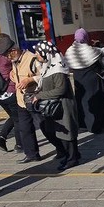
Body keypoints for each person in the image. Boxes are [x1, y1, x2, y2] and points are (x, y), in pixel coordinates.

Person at [8, 38, 67, 163]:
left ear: (14, 50)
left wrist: (30, 80)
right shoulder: (14, 61)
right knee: (25, 128)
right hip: (22, 100)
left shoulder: (32, 59)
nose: (7, 58)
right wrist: (13, 76)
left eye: (8, 54)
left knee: (45, 127)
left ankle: (61, 149)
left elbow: (44, 75)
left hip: (35, 98)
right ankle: (32, 154)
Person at [32, 41, 80, 171]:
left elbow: (61, 90)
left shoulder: (57, 69)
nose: (36, 54)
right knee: (55, 131)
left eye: (37, 52)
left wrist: (40, 95)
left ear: (45, 53)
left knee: (67, 132)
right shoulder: (47, 67)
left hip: (63, 105)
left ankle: (72, 158)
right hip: (54, 106)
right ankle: (71, 155)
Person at [64, 28, 104, 133]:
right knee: (97, 101)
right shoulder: (90, 50)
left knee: (83, 101)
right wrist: (99, 44)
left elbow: (67, 64)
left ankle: (84, 124)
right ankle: (98, 126)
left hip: (78, 80)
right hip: (92, 80)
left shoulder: (69, 50)